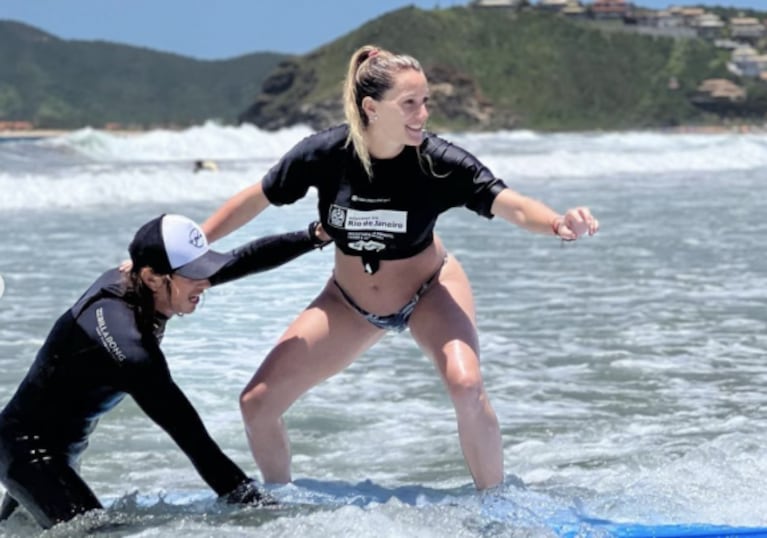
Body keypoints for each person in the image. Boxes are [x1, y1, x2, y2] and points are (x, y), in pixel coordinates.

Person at [201, 45, 600, 491]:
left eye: (426, 101)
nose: (423, 113)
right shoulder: (326, 153)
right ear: (371, 107)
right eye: (409, 103)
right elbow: (257, 197)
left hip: (429, 290)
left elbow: (513, 205)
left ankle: (497, 507)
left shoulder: (436, 161)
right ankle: (279, 502)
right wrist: (194, 246)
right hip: (348, 303)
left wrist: (558, 223)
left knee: (466, 385)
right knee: (257, 403)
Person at [0, 213, 331, 529]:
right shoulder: (130, 350)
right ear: (151, 278)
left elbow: (241, 259)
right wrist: (260, 509)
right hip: (29, 450)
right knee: (99, 534)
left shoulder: (150, 283)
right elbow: (191, 438)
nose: (205, 281)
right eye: (194, 273)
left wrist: (314, 235)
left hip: (64, 449)